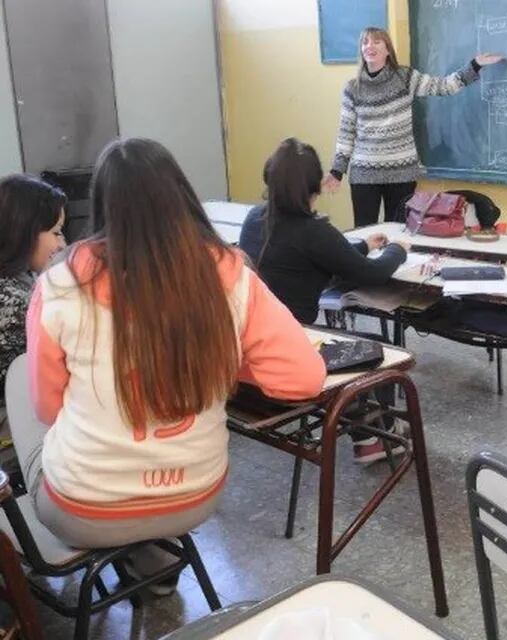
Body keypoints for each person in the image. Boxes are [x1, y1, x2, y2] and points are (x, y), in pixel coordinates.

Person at [6, 138, 325, 592]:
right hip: (193, 498)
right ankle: (152, 556)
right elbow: (304, 378)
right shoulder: (233, 274)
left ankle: (135, 552)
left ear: (101, 207)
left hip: (81, 510)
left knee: (26, 388)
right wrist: (219, 356)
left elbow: (48, 406)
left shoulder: (60, 284)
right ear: (183, 195)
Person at [239, 137, 407, 464]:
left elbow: (310, 259)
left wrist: (362, 246)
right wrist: (397, 250)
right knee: (379, 349)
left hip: (251, 351)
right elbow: (371, 275)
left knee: (352, 344)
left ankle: (369, 429)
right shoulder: (313, 231)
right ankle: (372, 437)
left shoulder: (254, 219)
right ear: (314, 188)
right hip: (293, 349)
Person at [323, 26, 503, 227]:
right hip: (364, 174)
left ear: (388, 50)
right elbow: (346, 133)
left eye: (376, 41)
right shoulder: (352, 88)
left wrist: (475, 65)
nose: (369, 46)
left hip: (402, 171)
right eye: (365, 42)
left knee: (399, 232)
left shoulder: (405, 77)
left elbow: (442, 86)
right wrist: (337, 171)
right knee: (365, 232)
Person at [0, 175, 66, 441]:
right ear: (24, 233)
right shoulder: (13, 303)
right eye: (56, 232)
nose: (62, 243)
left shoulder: (19, 280)